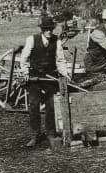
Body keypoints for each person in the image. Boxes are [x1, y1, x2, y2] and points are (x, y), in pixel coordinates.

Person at [18, 15, 70, 148]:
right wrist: (25, 73)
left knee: (51, 106)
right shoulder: (32, 40)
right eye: (46, 29)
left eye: (50, 29)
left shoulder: (56, 41)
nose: (48, 31)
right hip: (35, 78)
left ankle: (51, 134)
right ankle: (35, 135)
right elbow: (24, 58)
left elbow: (60, 60)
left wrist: (65, 74)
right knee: (34, 106)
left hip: (50, 78)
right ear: (42, 29)